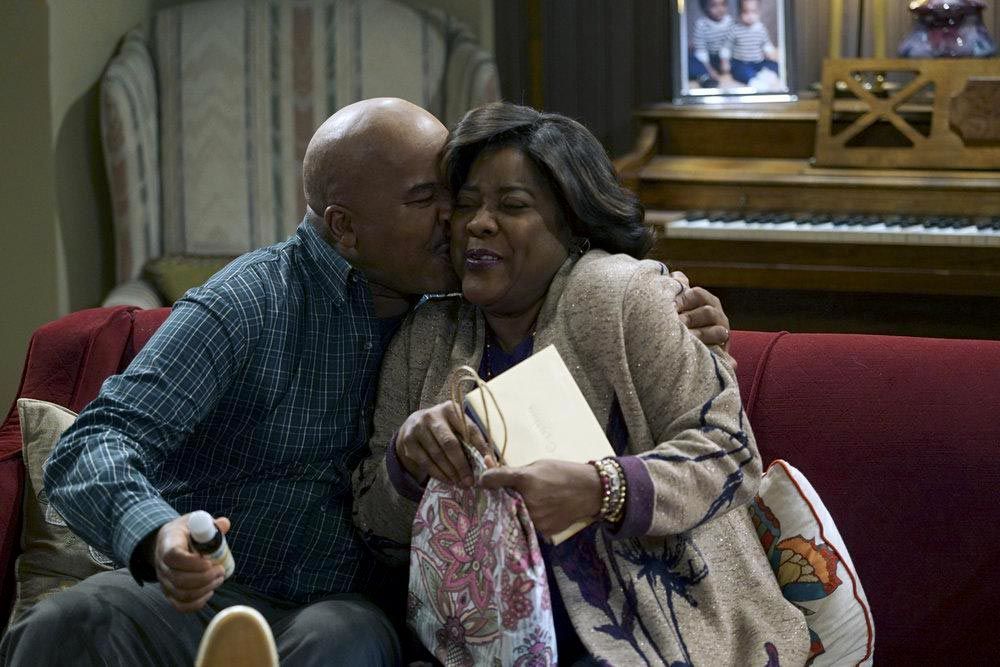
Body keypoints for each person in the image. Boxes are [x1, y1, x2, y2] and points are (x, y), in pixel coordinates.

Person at [0, 98, 732, 666]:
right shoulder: (249, 304)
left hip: (346, 607)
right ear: (346, 230)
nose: (463, 221)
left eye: (466, 196)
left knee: (335, 641)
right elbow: (93, 444)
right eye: (433, 199)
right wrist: (158, 536)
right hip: (211, 589)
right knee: (66, 619)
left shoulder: (449, 309)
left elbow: (704, 419)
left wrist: (684, 319)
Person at [352, 102, 810, 665]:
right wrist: (405, 461)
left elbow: (731, 455)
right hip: (477, 642)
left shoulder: (628, 296)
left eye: (513, 205)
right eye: (466, 204)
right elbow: (376, 534)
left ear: (574, 226)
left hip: (656, 633)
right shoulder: (424, 335)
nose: (479, 222)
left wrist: (604, 489)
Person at [727, 0, 781, 87]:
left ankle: (765, 75)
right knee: (739, 71)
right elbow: (727, 47)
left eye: (754, 12)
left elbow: (766, 44)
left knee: (775, 65)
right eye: (746, 12)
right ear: (739, 12)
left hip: (757, 61)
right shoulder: (735, 28)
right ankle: (753, 81)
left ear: (759, 12)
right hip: (741, 62)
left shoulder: (761, 28)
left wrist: (770, 52)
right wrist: (724, 60)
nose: (750, 16)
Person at [688, 0, 734, 88]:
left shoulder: (730, 22)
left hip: (726, 58)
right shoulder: (701, 24)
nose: (719, 9)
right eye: (714, 6)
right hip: (707, 58)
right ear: (705, 7)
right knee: (689, 58)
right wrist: (710, 70)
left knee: (740, 61)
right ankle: (704, 76)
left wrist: (725, 61)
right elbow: (701, 49)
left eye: (723, 4)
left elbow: (730, 44)